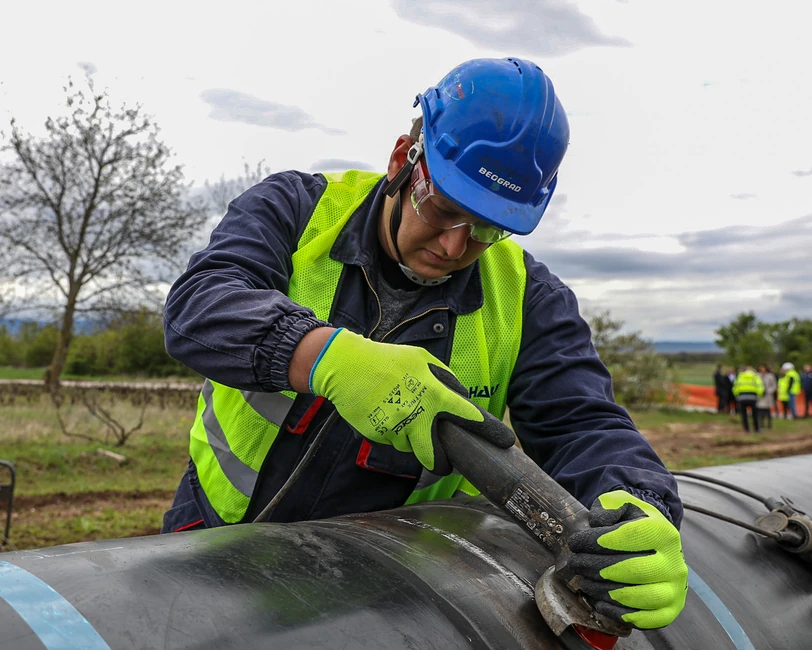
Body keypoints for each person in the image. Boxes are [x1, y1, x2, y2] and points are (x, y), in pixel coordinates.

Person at [162, 58, 687, 630]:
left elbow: (585, 424)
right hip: (215, 546)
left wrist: (639, 508)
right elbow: (199, 305)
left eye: (488, 227)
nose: (455, 244)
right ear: (402, 160)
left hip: (381, 588)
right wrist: (329, 357)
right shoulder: (297, 210)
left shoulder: (529, 298)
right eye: (443, 208)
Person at [732, 365, 763, 433]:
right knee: (755, 414)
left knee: (744, 415)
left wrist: (737, 396)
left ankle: (746, 429)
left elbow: (735, 387)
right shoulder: (755, 376)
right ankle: (757, 429)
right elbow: (760, 387)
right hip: (753, 397)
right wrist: (759, 395)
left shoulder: (740, 376)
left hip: (742, 397)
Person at [757, 364, 776, 430]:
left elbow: (774, 385)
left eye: (763, 368)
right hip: (760, 396)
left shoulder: (770, 376)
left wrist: (768, 391)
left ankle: (769, 425)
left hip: (767, 396)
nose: (762, 369)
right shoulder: (757, 375)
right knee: (760, 411)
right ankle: (761, 424)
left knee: (767, 411)